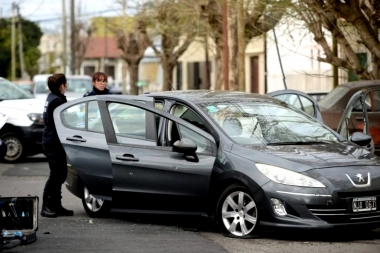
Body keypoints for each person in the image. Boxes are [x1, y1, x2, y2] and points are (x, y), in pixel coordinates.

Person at [41, 73, 74, 218]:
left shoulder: (52, 98)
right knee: (56, 176)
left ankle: (56, 205)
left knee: (59, 175)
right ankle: (46, 206)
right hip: (53, 142)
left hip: (51, 141)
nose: (66, 87)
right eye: (65, 84)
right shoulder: (57, 101)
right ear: (61, 86)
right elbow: (63, 121)